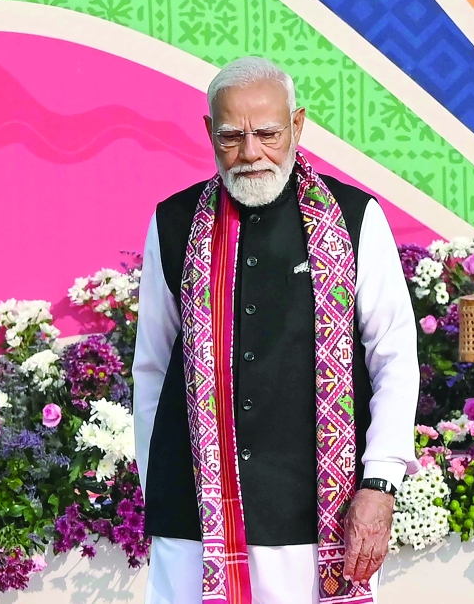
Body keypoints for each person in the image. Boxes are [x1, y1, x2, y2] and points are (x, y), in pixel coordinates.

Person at [132, 56, 420, 604]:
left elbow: (395, 357)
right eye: (231, 136)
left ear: (298, 125)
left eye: (267, 133)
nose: (250, 154)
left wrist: (380, 482)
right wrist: (160, 484)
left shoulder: (356, 219)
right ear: (207, 133)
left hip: (317, 514)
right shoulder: (172, 222)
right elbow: (152, 366)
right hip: (194, 519)